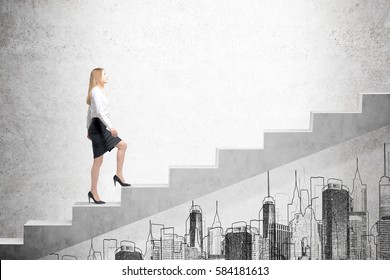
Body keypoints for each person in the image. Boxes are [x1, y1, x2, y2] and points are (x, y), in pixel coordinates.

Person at [86, 68, 131, 204]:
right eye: (104, 74)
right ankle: (93, 191)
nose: (107, 76)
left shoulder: (99, 92)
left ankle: (119, 175)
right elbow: (98, 112)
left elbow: (89, 112)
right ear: (98, 76)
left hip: (99, 126)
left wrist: (88, 129)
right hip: (98, 126)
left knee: (122, 145)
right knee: (98, 161)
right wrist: (110, 126)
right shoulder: (95, 92)